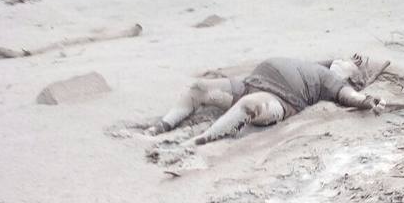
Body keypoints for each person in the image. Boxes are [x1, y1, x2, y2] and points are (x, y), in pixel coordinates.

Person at [151, 55, 385, 144]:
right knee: (199, 88)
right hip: (250, 83)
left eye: (350, 66)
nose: (344, 61)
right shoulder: (315, 64)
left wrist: (367, 101)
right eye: (345, 59)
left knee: (248, 107)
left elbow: (350, 96)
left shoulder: (331, 81)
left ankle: (199, 141)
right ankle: (161, 126)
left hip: (279, 99)